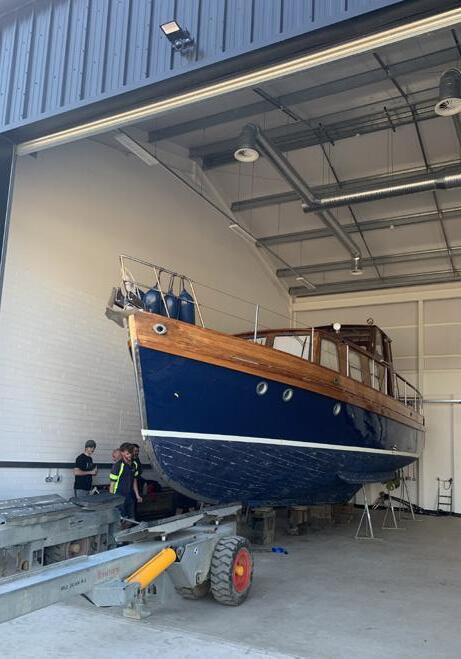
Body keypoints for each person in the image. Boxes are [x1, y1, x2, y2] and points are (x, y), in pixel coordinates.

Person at [109, 443, 142, 519]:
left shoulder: (134, 464)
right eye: (127, 453)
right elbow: (112, 485)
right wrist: (112, 501)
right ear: (122, 453)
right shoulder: (117, 466)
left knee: (132, 518)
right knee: (122, 519)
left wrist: (137, 495)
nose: (130, 455)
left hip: (129, 495)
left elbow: (134, 480)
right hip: (118, 496)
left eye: (131, 453)